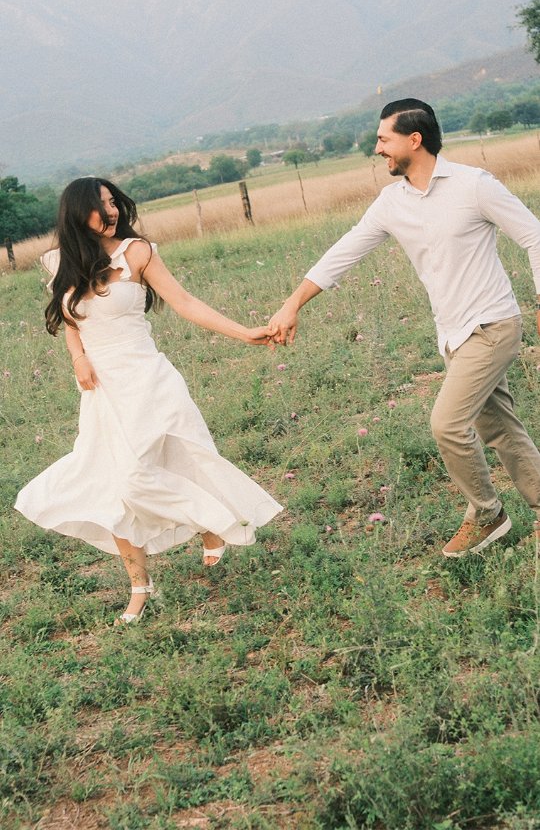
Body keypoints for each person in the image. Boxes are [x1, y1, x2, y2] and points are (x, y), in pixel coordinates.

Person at [269, 98, 540, 557]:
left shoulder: (474, 185)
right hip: (452, 335)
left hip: (492, 325)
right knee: (500, 429)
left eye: (383, 139)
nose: (377, 149)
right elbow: (345, 251)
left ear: (414, 140)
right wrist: (292, 303)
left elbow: (534, 234)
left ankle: (487, 513)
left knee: (447, 425)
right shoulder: (391, 202)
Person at [15, 177, 282, 624]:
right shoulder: (59, 261)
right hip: (102, 392)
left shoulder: (137, 252)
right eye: (100, 205)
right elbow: (73, 321)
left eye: (113, 202)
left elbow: (185, 303)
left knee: (151, 473)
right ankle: (140, 588)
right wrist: (78, 358)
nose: (111, 211)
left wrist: (244, 333)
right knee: (113, 488)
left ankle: (210, 521)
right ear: (76, 212)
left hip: (148, 381)